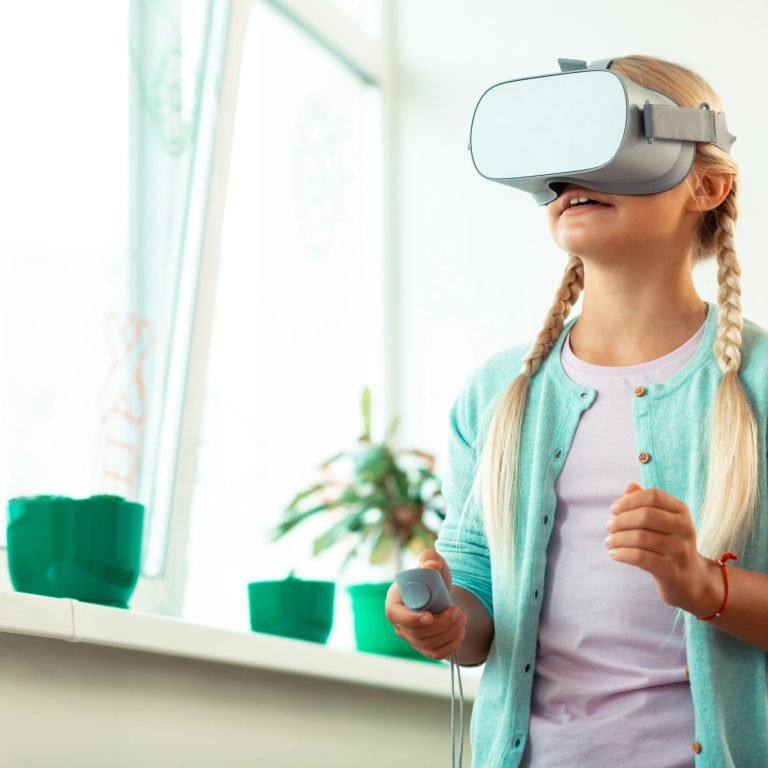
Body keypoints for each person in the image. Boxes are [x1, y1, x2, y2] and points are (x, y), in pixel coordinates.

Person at [385, 55, 768, 767]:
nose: (571, 178)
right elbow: (478, 619)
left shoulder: (759, 386)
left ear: (706, 186)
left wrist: (703, 584)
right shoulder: (500, 393)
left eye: (606, 142)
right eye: (558, 157)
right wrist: (442, 619)